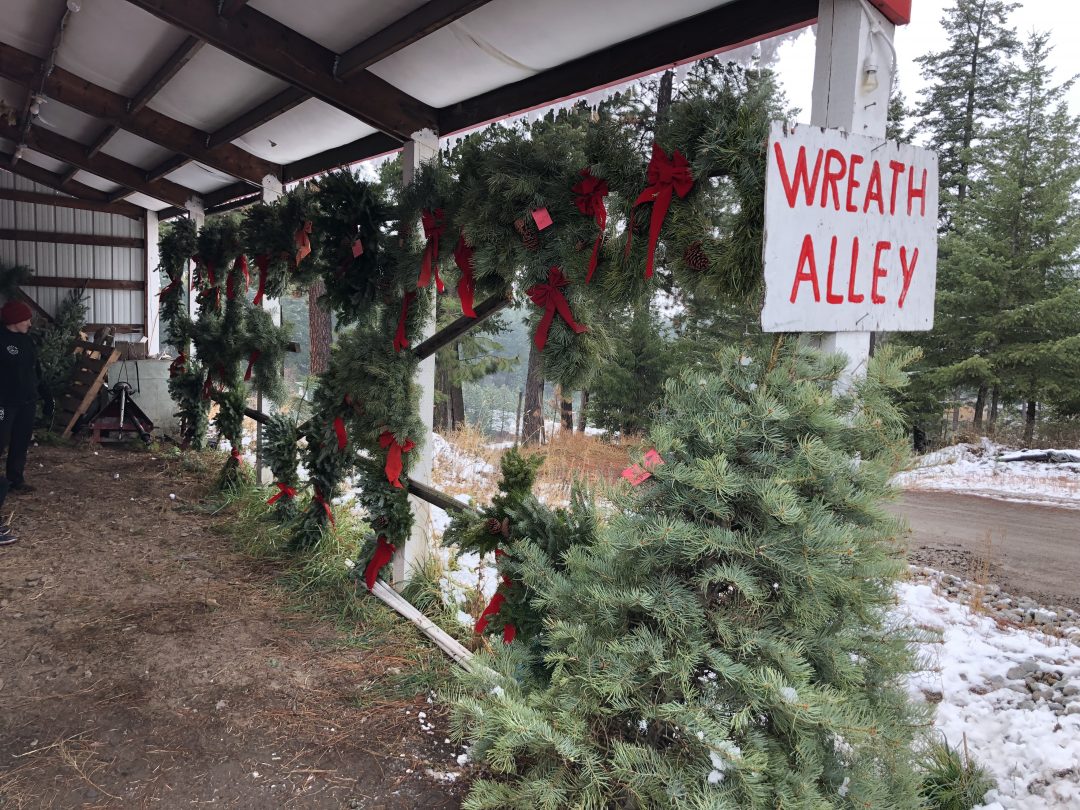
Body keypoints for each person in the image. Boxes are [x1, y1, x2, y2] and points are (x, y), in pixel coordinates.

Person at [0, 299, 39, 546]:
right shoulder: (2, 341)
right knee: (1, 441)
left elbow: (36, 368)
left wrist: (41, 391)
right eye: (26, 319)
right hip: (5, 402)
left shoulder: (27, 340)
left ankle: (15, 479)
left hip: (27, 400)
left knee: (21, 440)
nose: (29, 322)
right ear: (14, 320)